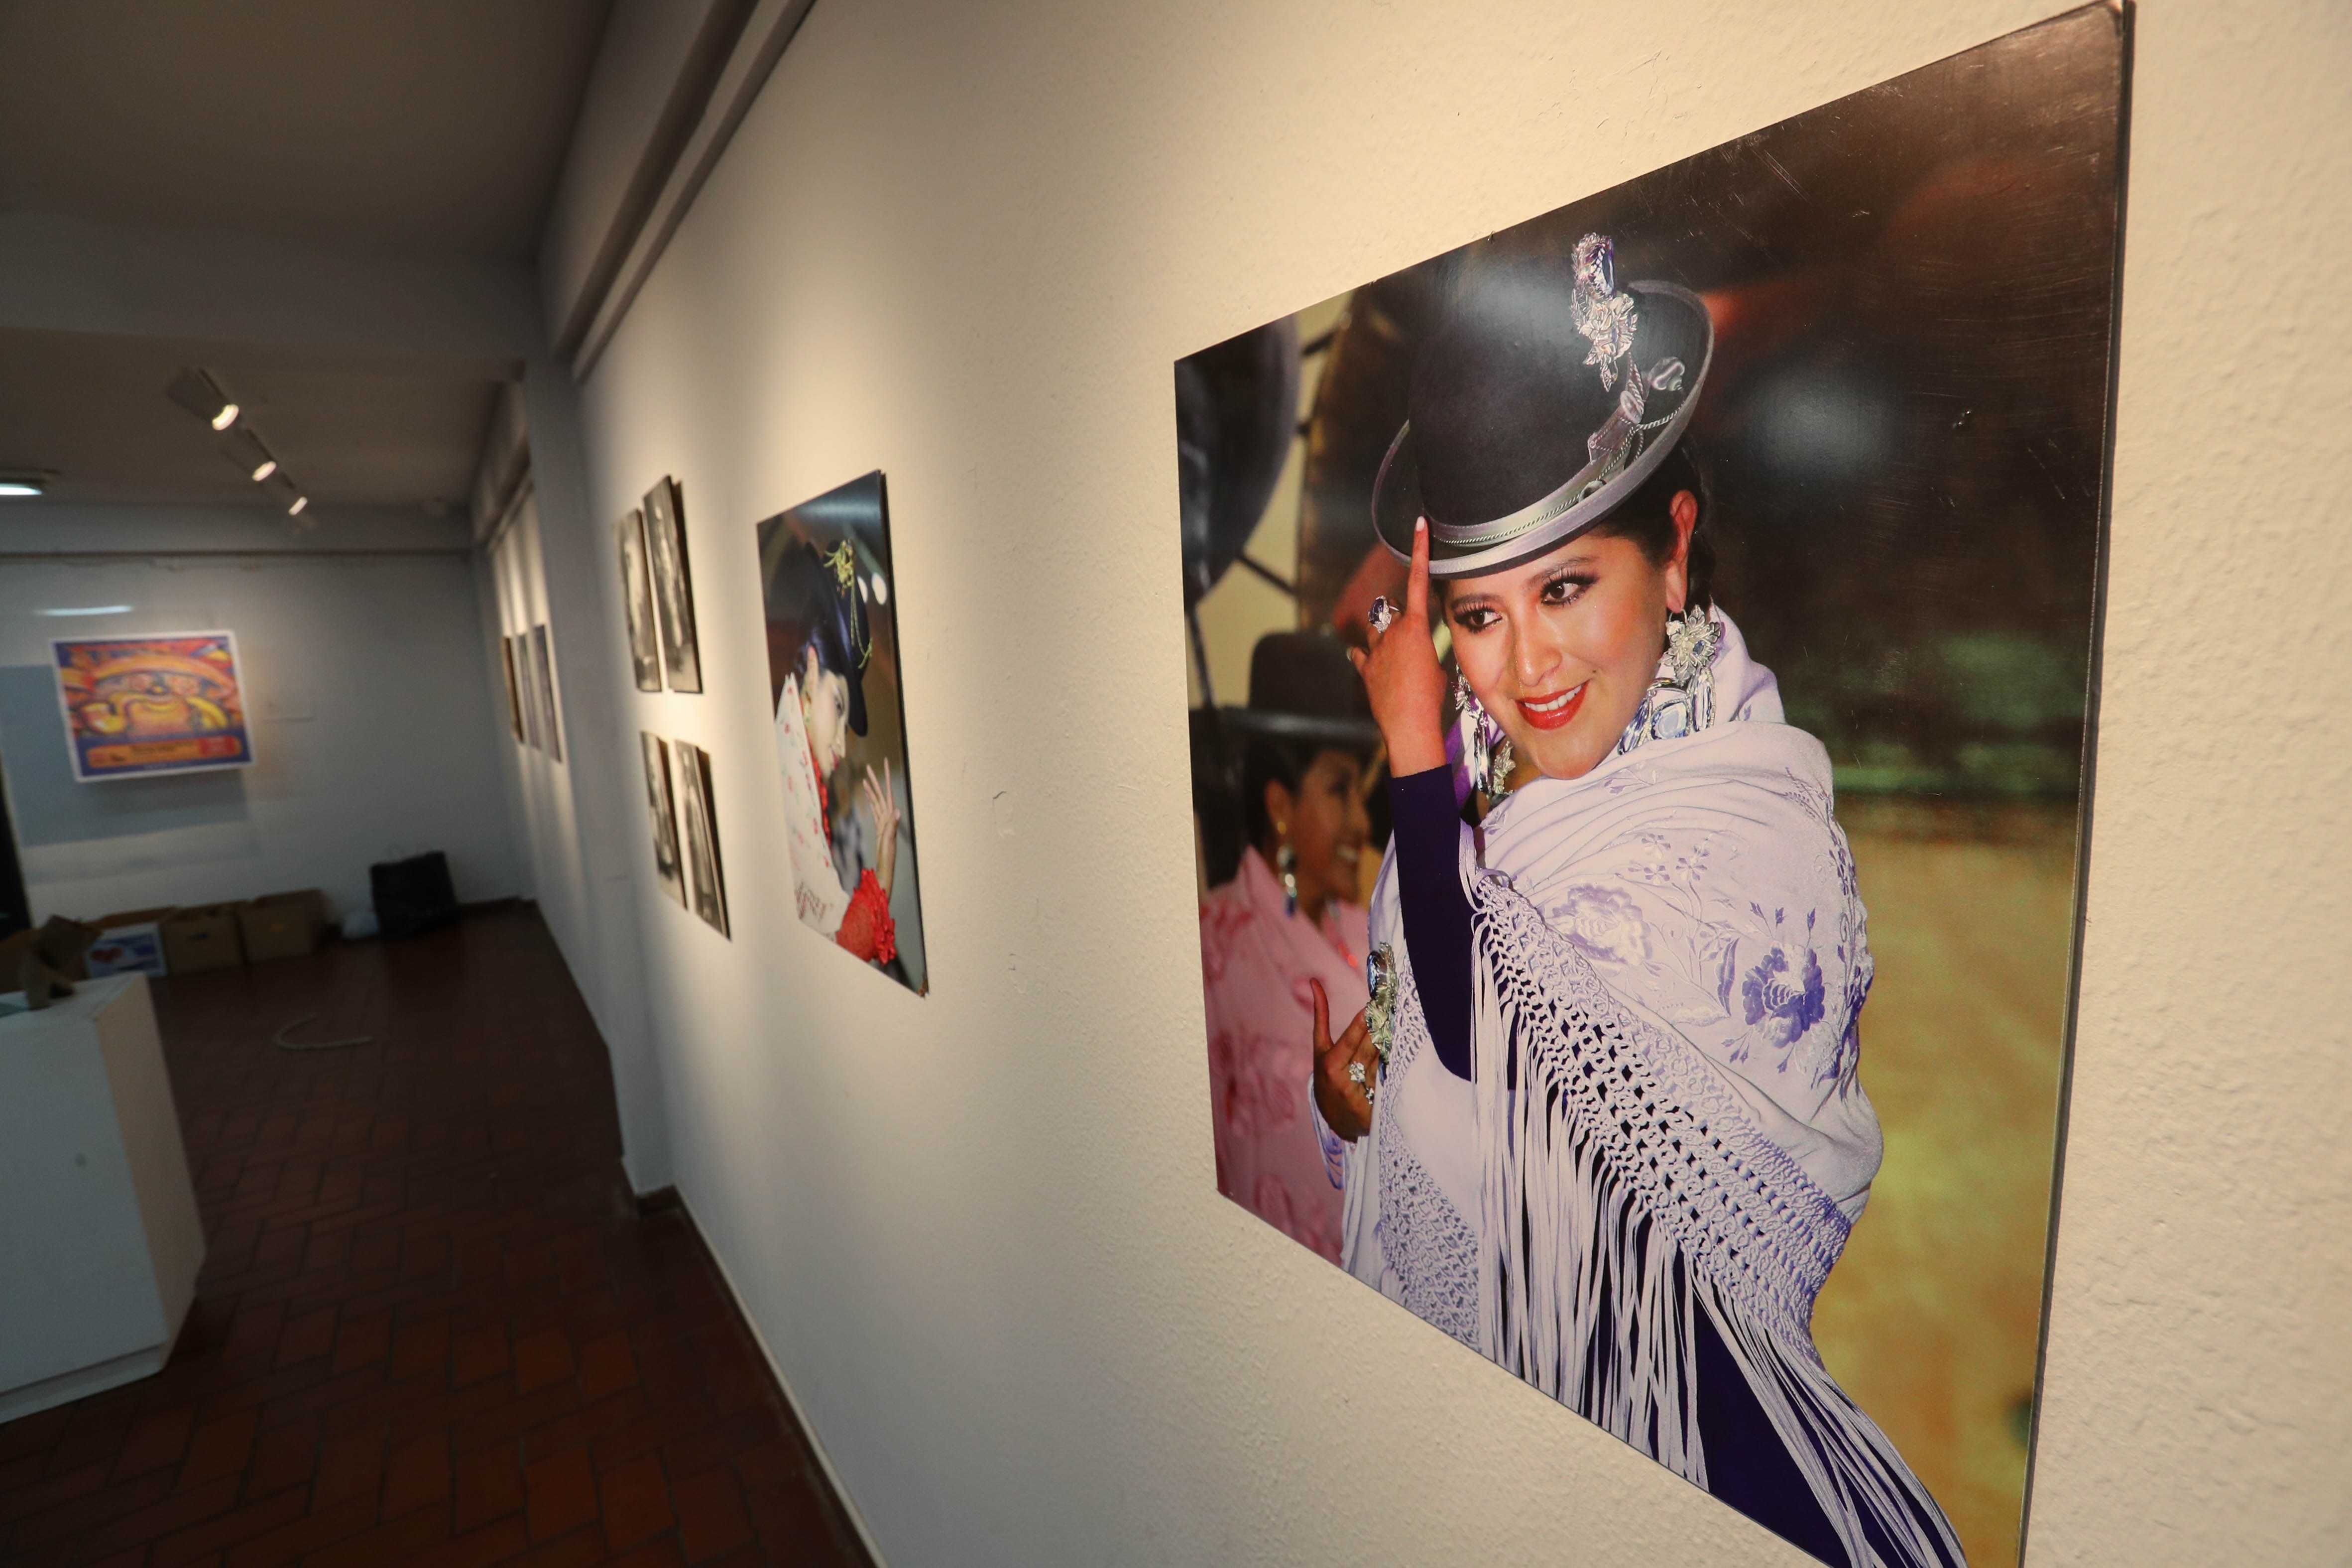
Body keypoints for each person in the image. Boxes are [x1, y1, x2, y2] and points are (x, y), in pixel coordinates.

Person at [1309, 239, 1965, 1568]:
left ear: (1671, 553)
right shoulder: (1499, 773)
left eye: (1563, 589)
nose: (1526, 665)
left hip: (1696, 1450)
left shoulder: (1736, 826)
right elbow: (1436, 1025)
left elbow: (1489, 1039)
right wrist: (1364, 1091)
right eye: (1477, 618)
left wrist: (1415, 752)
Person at [1198, 632, 1379, 1262]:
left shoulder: (1370, 928)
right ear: (1280, 805)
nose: (1361, 820)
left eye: (1359, 792)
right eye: (1339, 790)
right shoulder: (1211, 949)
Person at [768, 540, 901, 966]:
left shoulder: (793, 758)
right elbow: (842, 948)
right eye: (838, 706)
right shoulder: (789, 773)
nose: (842, 745)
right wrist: (884, 865)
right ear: (811, 669)